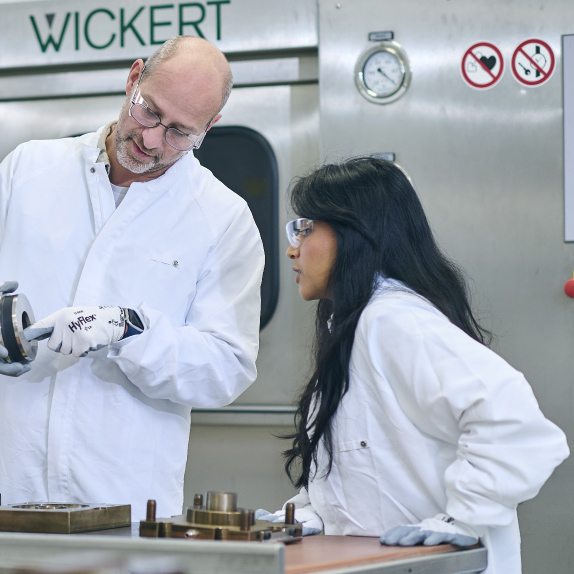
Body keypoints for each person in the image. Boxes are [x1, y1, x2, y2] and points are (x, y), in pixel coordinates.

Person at [257, 157, 568, 574]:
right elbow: (368, 459)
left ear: (355, 234)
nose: (293, 248)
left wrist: (465, 517)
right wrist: (313, 513)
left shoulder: (391, 320)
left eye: (307, 228)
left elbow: (518, 426)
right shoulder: (352, 326)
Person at [0, 36, 264, 520]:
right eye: (148, 112)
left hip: (123, 499)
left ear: (211, 127)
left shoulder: (222, 218)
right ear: (133, 78)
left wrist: (129, 330)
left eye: (181, 133)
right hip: (7, 481)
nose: (152, 141)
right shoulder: (27, 170)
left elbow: (226, 366)